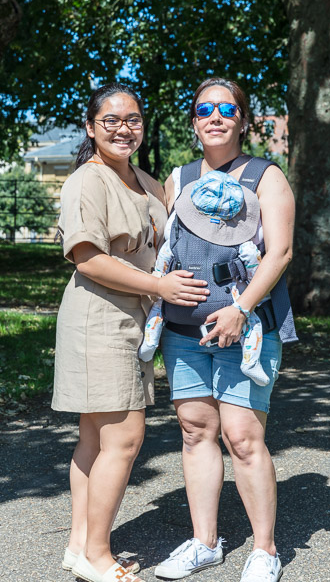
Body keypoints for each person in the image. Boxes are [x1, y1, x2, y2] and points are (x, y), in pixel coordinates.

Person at [52, 82, 209, 582]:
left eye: (134, 119)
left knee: (96, 440)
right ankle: (98, 555)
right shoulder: (87, 181)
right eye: (111, 121)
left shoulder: (145, 179)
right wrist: (159, 285)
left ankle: (80, 546)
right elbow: (88, 257)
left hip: (134, 318)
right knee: (124, 438)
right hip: (99, 317)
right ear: (91, 127)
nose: (124, 129)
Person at [154, 78, 297, 582]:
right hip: (182, 331)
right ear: (193, 120)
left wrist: (240, 308)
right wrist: (162, 284)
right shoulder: (178, 178)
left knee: (242, 437)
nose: (215, 116)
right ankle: (204, 543)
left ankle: (265, 550)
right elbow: (163, 245)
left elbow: (279, 253)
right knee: (196, 432)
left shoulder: (266, 175)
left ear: (242, 119)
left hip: (248, 330)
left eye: (226, 108)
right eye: (204, 109)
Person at [139, 170, 270, 387]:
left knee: (159, 307)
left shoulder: (178, 233)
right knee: (253, 321)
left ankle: (150, 343)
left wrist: (159, 279)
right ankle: (250, 361)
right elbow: (254, 267)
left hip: (178, 304)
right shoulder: (240, 240)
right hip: (228, 300)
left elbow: (165, 256)